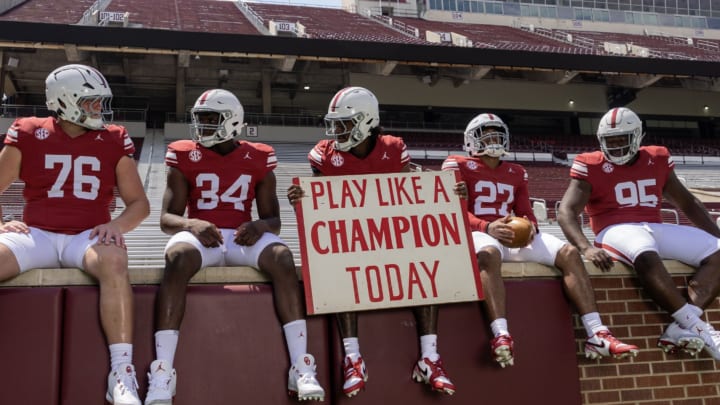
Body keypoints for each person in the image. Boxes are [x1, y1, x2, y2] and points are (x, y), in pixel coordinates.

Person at [145, 89, 325, 404]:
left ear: (232, 121)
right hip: (203, 237)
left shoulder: (259, 154)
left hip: (242, 237)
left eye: (211, 119)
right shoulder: (183, 152)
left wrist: (258, 226)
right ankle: (162, 370)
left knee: (282, 257)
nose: (202, 127)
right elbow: (166, 219)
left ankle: (302, 365)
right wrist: (192, 224)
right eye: (200, 119)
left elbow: (273, 221)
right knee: (177, 256)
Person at [286, 86, 455, 397]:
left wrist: (447, 195)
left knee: (423, 264)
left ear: (366, 121)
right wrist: (303, 199)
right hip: (350, 241)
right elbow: (321, 207)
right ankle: (353, 358)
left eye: (344, 123)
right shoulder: (324, 154)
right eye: (334, 124)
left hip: (390, 235)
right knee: (342, 269)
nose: (336, 130)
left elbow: (409, 194)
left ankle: (430, 356)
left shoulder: (393, 148)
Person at [0, 64, 150, 405]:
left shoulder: (113, 138)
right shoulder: (28, 131)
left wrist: (117, 225)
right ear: (65, 101)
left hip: (86, 236)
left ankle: (121, 373)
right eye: (91, 102)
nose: (100, 109)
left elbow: (139, 204)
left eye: (100, 102)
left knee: (113, 261)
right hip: (35, 234)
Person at [442, 112, 638, 368]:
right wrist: (487, 226)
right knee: (488, 253)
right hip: (479, 232)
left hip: (509, 233)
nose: (493, 138)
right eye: (486, 133)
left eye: (497, 133)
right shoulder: (456, 164)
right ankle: (501, 334)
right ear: (471, 140)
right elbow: (453, 210)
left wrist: (531, 227)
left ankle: (597, 332)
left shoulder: (517, 171)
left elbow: (525, 211)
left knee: (568, 253)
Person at [557, 106, 720, 359]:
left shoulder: (657, 158)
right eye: (610, 141)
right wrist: (586, 247)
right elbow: (566, 211)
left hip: (652, 226)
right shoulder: (590, 164)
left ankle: (680, 327)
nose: (616, 147)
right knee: (644, 252)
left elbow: (688, 203)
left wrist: (717, 236)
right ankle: (701, 328)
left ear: (637, 136)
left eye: (622, 140)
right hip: (614, 230)